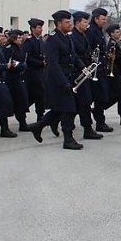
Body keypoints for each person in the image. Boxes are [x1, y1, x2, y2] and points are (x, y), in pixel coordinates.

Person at [29, 10, 83, 150]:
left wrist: (82, 66)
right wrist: (62, 82)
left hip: (68, 77)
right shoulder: (53, 39)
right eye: (66, 22)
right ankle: (68, 139)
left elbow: (72, 55)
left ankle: (38, 126)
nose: (69, 24)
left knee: (59, 109)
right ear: (58, 24)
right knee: (69, 109)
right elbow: (53, 63)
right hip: (58, 80)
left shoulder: (67, 37)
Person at [71, 11, 103, 140]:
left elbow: (87, 50)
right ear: (78, 22)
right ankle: (47, 122)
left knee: (84, 102)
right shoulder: (72, 35)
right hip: (77, 72)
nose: (86, 24)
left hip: (85, 71)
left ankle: (88, 128)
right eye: (84, 22)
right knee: (80, 103)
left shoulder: (83, 35)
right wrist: (83, 66)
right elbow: (74, 54)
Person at [86, 7, 113, 132]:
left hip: (100, 67)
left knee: (100, 96)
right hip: (94, 68)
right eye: (102, 19)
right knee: (97, 97)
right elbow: (89, 49)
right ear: (96, 18)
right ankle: (99, 122)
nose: (104, 21)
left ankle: (100, 121)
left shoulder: (98, 30)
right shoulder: (91, 30)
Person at [4, 29, 31, 132]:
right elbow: (10, 64)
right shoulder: (9, 48)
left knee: (22, 101)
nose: (20, 39)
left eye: (21, 37)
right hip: (12, 79)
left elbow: (22, 62)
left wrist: (22, 65)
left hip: (20, 78)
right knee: (15, 102)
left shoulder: (20, 47)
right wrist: (21, 65)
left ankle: (22, 123)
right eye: (18, 37)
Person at [23, 18, 47, 122]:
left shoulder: (40, 40)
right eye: (38, 27)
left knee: (39, 95)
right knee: (35, 95)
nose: (41, 29)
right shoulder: (29, 41)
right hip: (32, 72)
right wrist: (40, 63)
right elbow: (27, 57)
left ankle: (40, 115)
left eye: (41, 27)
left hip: (40, 71)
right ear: (33, 29)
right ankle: (22, 111)